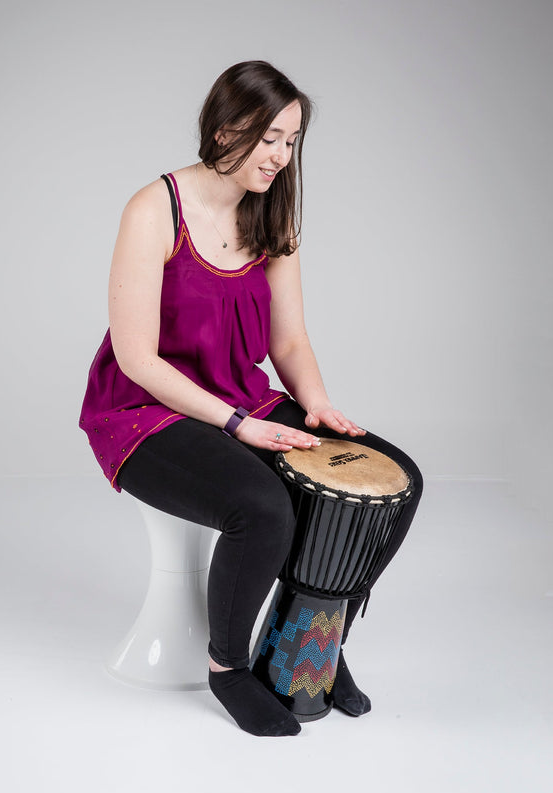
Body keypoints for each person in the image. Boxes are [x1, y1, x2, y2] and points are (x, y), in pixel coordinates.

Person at [80, 60, 422, 736]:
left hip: (243, 398)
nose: (280, 156)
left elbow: (289, 343)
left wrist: (318, 404)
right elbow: (137, 358)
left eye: (291, 141)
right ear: (225, 129)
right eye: (269, 137)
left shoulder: (272, 215)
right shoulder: (155, 209)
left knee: (392, 485)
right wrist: (238, 425)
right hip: (143, 412)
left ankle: (313, 642)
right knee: (262, 509)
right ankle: (229, 668)